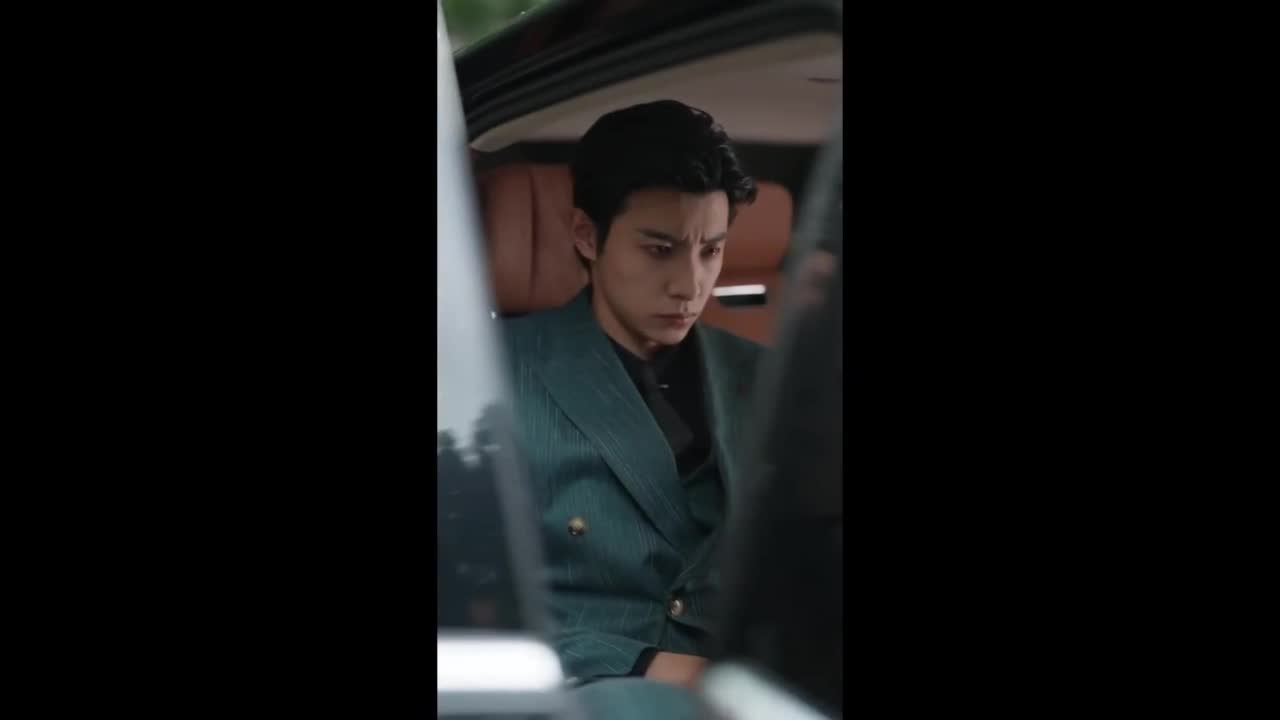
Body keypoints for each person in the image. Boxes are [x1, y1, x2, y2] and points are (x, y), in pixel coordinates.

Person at [498, 100, 761, 717]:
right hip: (581, 690)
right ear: (587, 236)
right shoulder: (489, 372)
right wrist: (646, 664)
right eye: (660, 249)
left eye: (711, 251)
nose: (690, 285)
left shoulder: (766, 376)